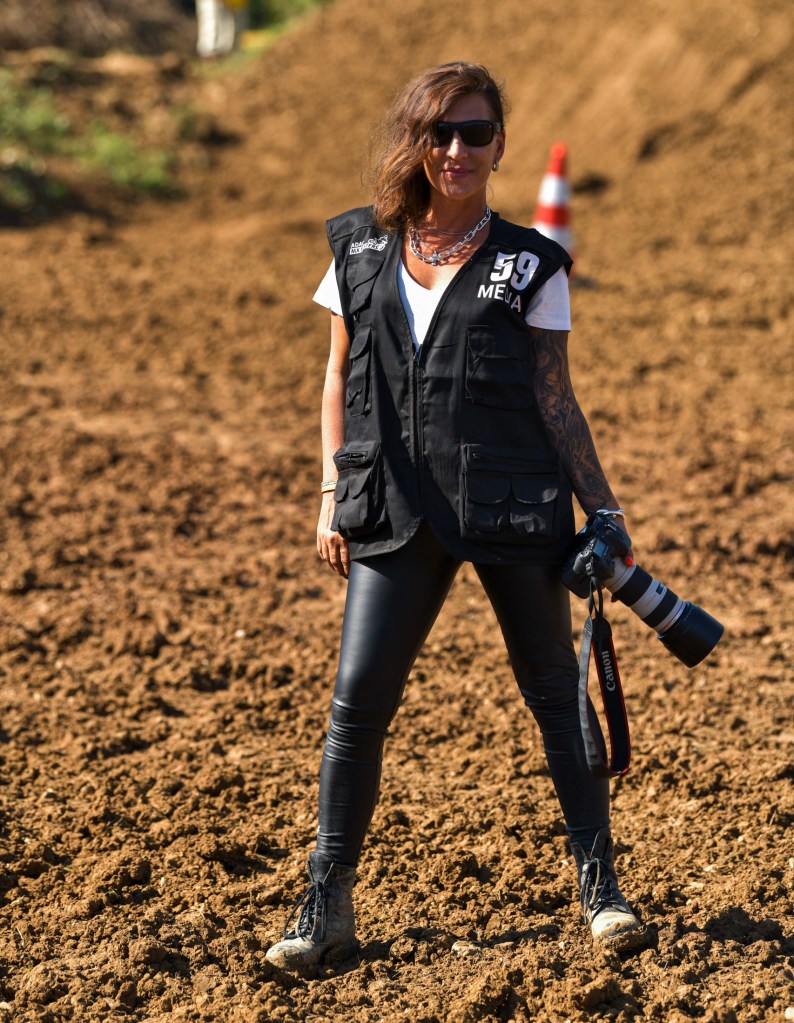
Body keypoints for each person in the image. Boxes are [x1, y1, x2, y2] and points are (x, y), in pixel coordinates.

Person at [266, 62, 645, 970]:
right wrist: (332, 491)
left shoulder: (530, 262)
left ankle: (601, 888)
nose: (458, 150)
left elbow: (555, 398)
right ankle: (327, 903)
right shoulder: (359, 247)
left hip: (511, 502)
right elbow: (337, 376)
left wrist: (604, 508)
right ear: (418, 140)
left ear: (500, 146)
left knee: (556, 695)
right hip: (393, 504)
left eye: (476, 133)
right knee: (357, 703)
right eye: (441, 132)